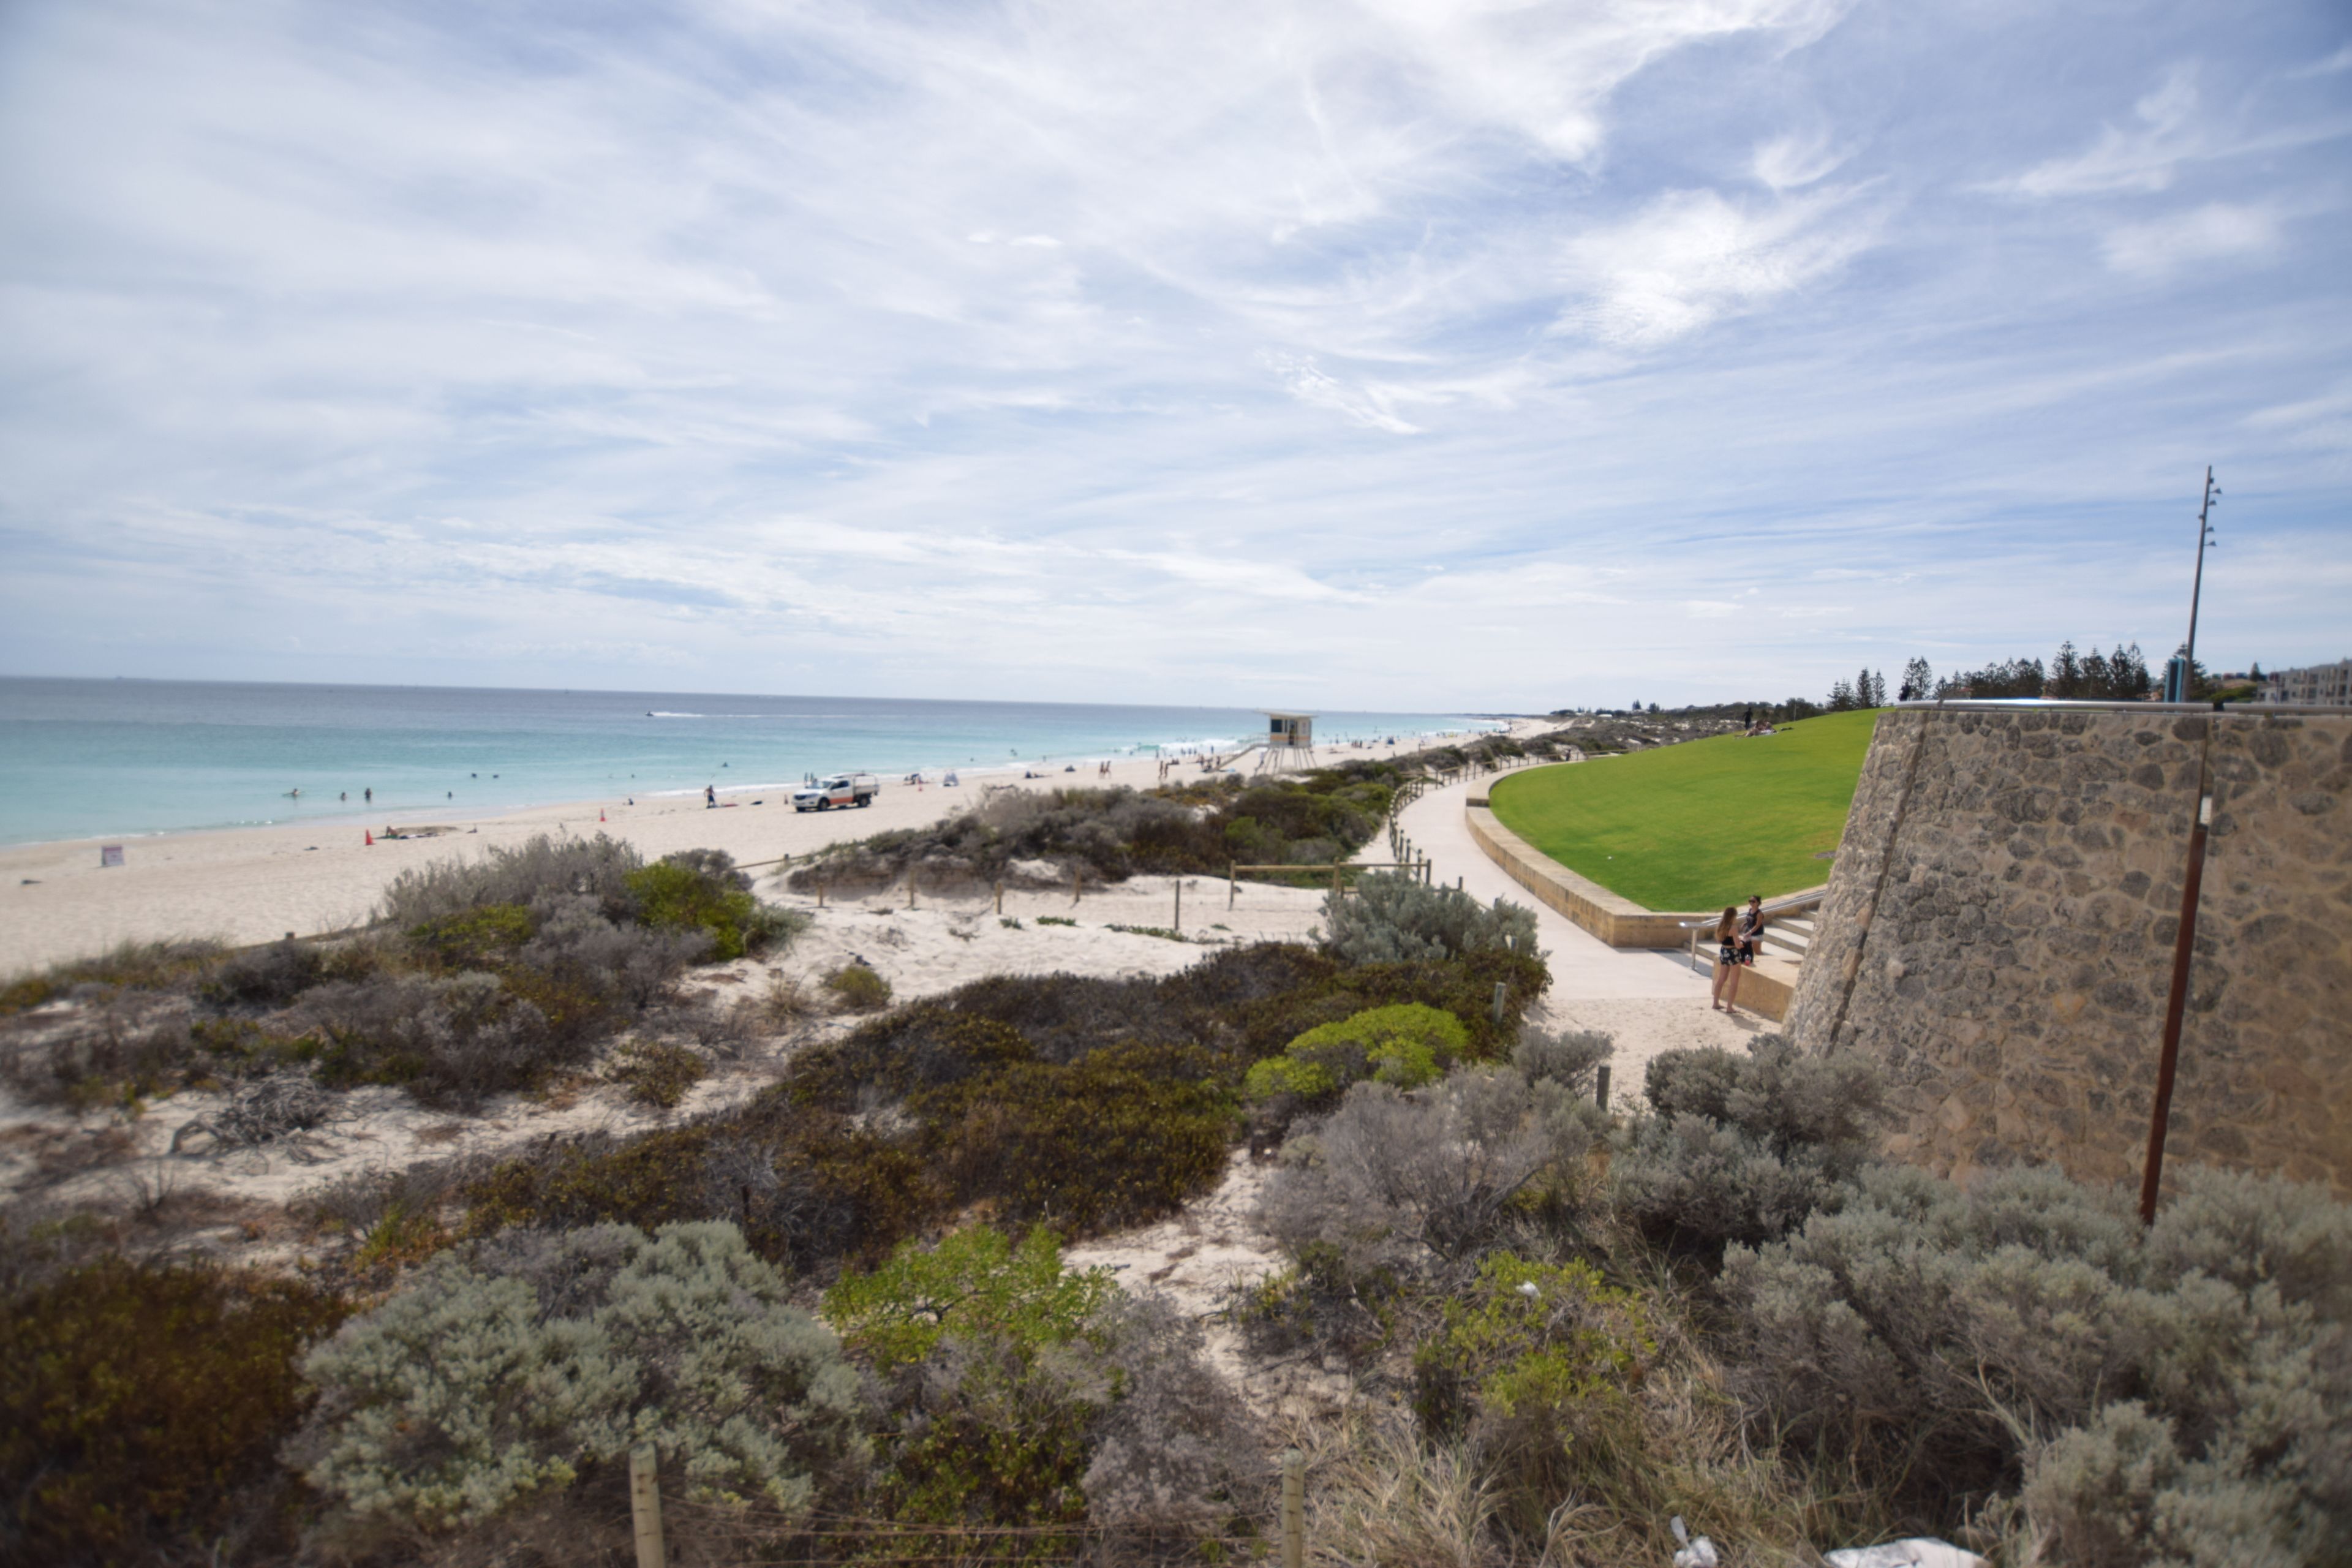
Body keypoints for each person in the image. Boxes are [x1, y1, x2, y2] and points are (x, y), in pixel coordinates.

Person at [1710, 907, 1743, 1011]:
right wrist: (1744, 943)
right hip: (1733, 953)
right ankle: (1730, 1007)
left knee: (1721, 979)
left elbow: (1722, 940)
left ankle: (1715, 1003)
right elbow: (1738, 945)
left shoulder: (1721, 926)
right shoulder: (1733, 928)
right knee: (1734, 982)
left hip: (1724, 952)